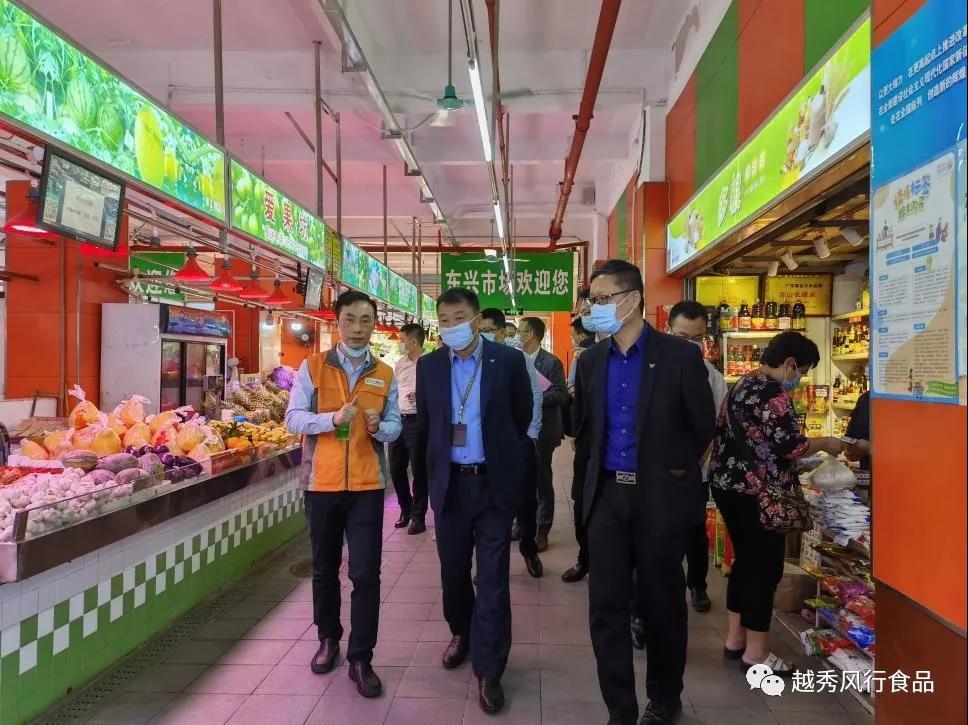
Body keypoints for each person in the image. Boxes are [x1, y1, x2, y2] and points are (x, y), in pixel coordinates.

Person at [572, 260, 715, 725]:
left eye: (603, 299)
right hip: (607, 498)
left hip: (659, 498)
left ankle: (664, 698)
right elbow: (586, 430)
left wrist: (671, 473)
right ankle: (620, 708)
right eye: (592, 300)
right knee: (606, 607)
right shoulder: (591, 361)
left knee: (663, 604)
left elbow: (702, 426)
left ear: (632, 299)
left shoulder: (680, 357)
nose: (594, 308)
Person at [416, 288, 533, 714]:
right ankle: (461, 632)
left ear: (478, 318)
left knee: (493, 577)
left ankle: (489, 668)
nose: (451, 326)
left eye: (459, 317)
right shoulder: (429, 366)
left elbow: (521, 416)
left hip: (492, 484)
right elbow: (426, 428)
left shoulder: (508, 361)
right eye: (444, 320)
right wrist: (422, 493)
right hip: (450, 486)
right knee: (453, 572)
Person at [285, 290, 402, 698]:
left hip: (368, 487)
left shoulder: (385, 372)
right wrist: (331, 419)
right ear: (337, 323)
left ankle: (361, 656)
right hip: (322, 484)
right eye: (350, 319)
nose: (357, 328)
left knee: (366, 573)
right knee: (324, 568)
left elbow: (395, 426)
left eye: (366, 320)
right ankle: (328, 638)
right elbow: (292, 419)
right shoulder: (313, 366)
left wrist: (378, 428)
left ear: (373, 324)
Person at [709, 330, 843, 675]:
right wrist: (826, 443)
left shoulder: (743, 383)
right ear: (790, 363)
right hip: (760, 494)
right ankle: (756, 654)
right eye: (803, 372)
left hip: (728, 485)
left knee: (745, 563)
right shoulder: (773, 393)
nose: (800, 379)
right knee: (764, 570)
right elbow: (792, 446)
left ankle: (735, 640)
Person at [666, 300, 728, 613]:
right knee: (661, 535)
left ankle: (698, 585)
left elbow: (715, 427)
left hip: (696, 470)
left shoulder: (713, 377)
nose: (690, 345)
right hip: (660, 470)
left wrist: (693, 463)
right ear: (668, 330)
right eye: (682, 337)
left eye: (697, 338)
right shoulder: (654, 370)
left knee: (694, 530)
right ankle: (663, 591)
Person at [479, 308, 545, 578]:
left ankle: (529, 549)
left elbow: (535, 396)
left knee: (526, 502)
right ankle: (490, 563)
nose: (483, 335)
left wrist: (531, 435)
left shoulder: (519, 359)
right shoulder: (474, 360)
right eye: (479, 330)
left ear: (500, 332)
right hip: (485, 447)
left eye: (487, 330)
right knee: (490, 507)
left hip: (518, 442)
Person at [518, 316, 569, 551]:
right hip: (520, 429)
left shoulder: (551, 362)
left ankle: (541, 530)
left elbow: (561, 394)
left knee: (541, 480)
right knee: (520, 478)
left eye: (520, 331)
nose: (517, 335)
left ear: (531, 335)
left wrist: (533, 397)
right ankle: (521, 524)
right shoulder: (516, 360)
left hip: (543, 430)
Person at [562, 290, 595, 584]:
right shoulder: (584, 355)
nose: (586, 313)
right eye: (585, 308)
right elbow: (574, 392)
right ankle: (585, 559)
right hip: (588, 445)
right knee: (582, 504)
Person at [389, 323, 429, 534]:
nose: (400, 344)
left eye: (402, 340)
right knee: (396, 468)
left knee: (419, 470)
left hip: (418, 422)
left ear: (413, 342)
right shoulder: (401, 363)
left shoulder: (430, 363)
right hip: (398, 420)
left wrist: (422, 396)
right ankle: (405, 508)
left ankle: (418, 517)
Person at [843, 390, 871, 473]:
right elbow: (851, 449)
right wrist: (850, 449)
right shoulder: (866, 399)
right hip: (869, 472)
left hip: (900, 472)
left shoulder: (866, 398)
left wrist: (870, 448)